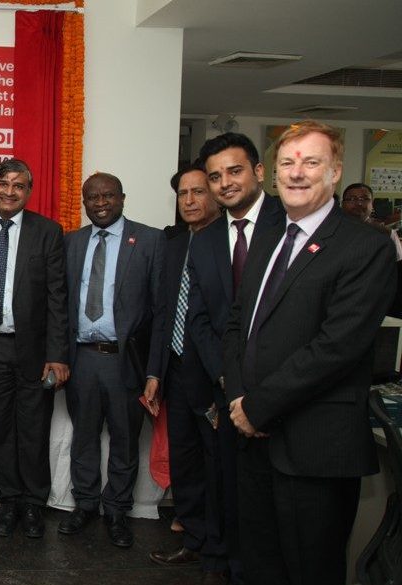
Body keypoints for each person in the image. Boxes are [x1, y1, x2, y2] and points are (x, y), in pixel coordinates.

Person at [224, 121, 395, 585]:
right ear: (273, 173)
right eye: (288, 163)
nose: (297, 173)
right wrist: (239, 399)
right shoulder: (269, 236)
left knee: (309, 571)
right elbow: (239, 325)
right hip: (252, 439)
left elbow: (337, 347)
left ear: (336, 171)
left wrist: (257, 406)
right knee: (260, 566)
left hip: (314, 447)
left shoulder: (367, 247)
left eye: (311, 162)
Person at [159, 133, 286, 584]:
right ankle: (220, 559)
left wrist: (253, 384)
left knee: (268, 499)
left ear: (258, 171)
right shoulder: (208, 240)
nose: (224, 183)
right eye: (216, 176)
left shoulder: (289, 225)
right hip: (221, 384)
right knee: (221, 479)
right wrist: (229, 381)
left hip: (281, 389)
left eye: (234, 171)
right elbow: (198, 319)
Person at [0, 158, 68, 539]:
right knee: (0, 427)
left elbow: (57, 298)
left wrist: (57, 354)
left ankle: (35, 504)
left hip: (34, 351)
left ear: (29, 191)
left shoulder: (48, 232)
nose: (9, 191)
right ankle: (10, 501)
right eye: (3, 183)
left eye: (19, 186)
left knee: (34, 428)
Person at [57, 172, 165, 549]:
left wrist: (154, 370)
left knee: (124, 438)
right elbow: (60, 305)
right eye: (92, 198)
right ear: (84, 202)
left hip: (126, 361)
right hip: (82, 358)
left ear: (122, 197)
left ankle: (118, 508)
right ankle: (85, 504)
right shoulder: (71, 242)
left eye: (107, 196)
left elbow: (160, 311)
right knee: (83, 436)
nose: (100, 203)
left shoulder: (150, 240)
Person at [148, 164, 232, 585]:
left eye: (199, 192)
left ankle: (218, 553)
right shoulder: (177, 243)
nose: (191, 201)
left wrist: (226, 377)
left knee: (218, 465)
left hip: (214, 377)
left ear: (216, 194)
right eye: (183, 194)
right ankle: (194, 538)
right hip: (177, 370)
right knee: (185, 462)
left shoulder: (230, 242)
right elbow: (165, 311)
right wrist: (154, 373)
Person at [341, 182, 402, 260]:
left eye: (364, 199)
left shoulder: (387, 233)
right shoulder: (332, 229)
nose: (359, 203)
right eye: (352, 199)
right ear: (343, 204)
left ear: (372, 204)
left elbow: (398, 264)